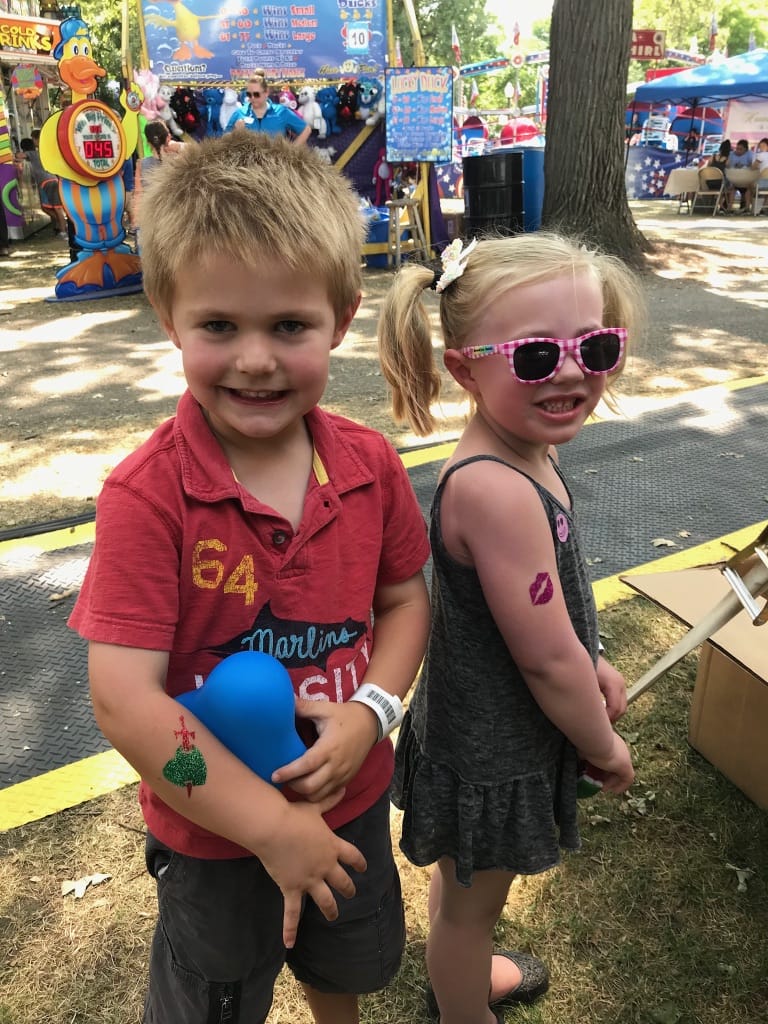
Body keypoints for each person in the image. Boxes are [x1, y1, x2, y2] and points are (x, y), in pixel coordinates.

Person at [68, 132, 431, 1024]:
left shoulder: (369, 466)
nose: (257, 360)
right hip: (215, 834)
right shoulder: (150, 498)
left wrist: (371, 713)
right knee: (220, 993)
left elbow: (404, 601)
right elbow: (124, 698)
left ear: (342, 318)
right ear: (170, 317)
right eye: (220, 326)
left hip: (349, 794)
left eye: (289, 326)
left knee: (341, 962)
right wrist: (269, 830)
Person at [378, 234, 639, 1024]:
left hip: (483, 734)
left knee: (467, 883)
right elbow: (546, 662)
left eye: (595, 346)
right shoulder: (495, 490)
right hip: (491, 752)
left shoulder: (526, 449)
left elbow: (552, 611)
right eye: (534, 356)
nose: (569, 372)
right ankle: (463, 1008)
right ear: (464, 368)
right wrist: (600, 744)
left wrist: (594, 655)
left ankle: (465, 968)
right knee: (468, 909)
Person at [132, 120, 184, 251]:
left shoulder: (141, 164)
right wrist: (177, 146)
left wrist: (136, 221)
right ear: (168, 137)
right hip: (177, 222)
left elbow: (138, 195)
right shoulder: (181, 160)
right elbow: (196, 150)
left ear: (148, 142)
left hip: (151, 223)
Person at [224, 69, 312, 143]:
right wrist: (235, 132)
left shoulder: (281, 111)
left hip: (274, 162)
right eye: (249, 94)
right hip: (247, 163)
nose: (252, 98)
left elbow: (306, 130)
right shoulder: (239, 113)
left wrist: (292, 151)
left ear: (266, 93)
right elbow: (224, 139)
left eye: (256, 94)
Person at [19, 136, 68, 239]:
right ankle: (62, 225)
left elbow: (19, 156)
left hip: (46, 182)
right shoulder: (39, 153)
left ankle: (63, 230)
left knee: (55, 208)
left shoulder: (30, 153)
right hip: (52, 180)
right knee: (48, 207)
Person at [727, 139, 755, 211]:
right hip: (734, 177)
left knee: (748, 188)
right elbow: (728, 166)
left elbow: (753, 167)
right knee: (733, 187)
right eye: (737, 148)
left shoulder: (750, 154)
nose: (738, 151)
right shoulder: (731, 154)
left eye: (740, 149)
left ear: (745, 150)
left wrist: (744, 167)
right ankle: (729, 208)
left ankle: (747, 207)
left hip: (746, 177)